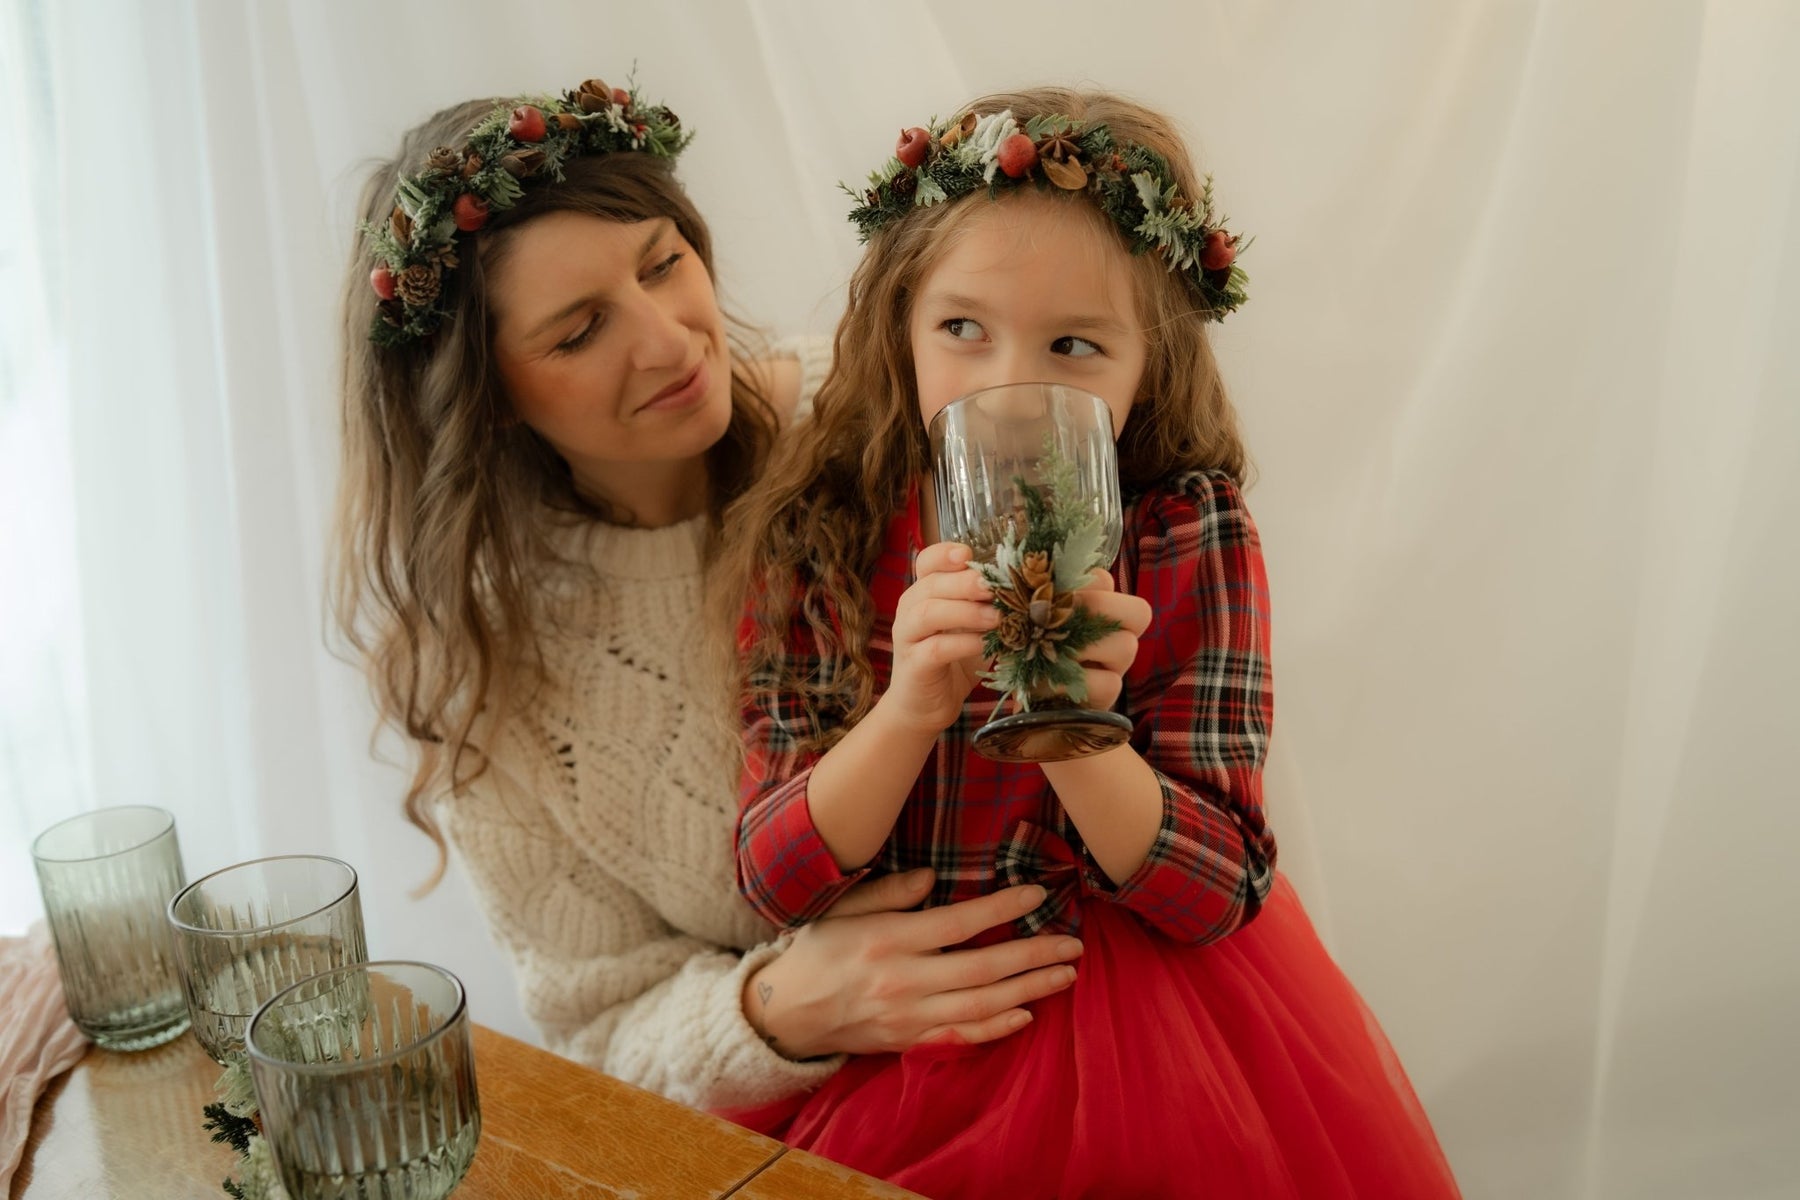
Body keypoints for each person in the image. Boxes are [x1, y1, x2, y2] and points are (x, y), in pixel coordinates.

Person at [721, 87, 1462, 1196]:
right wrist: (911, 708)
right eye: (962, 329)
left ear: (1148, 364)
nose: (1012, 386)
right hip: (911, 1026)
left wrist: (1072, 719)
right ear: (900, 325)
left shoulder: (1186, 532)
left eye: (1074, 344)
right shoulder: (821, 527)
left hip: (1148, 1038)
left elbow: (1220, 890)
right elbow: (775, 882)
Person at [329, 74, 1084, 1113]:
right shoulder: (485, 672)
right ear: (487, 397)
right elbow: (598, 1032)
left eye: (662, 264)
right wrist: (775, 1008)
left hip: (1070, 1022)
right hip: (807, 1130)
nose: (670, 340)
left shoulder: (882, 417)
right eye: (579, 331)